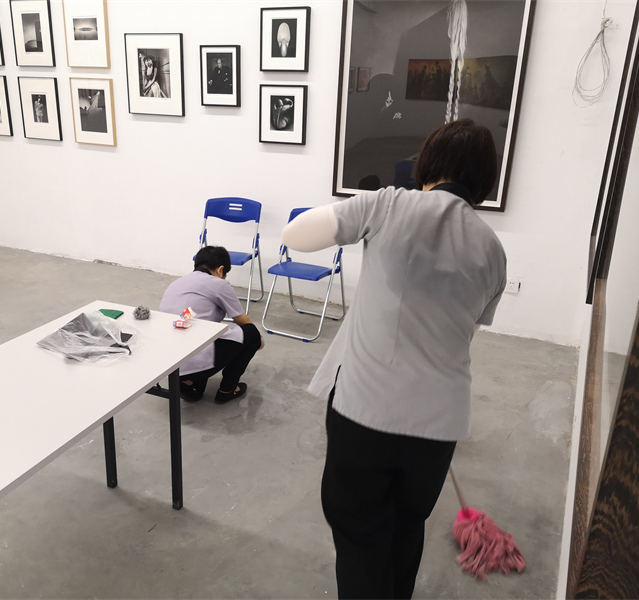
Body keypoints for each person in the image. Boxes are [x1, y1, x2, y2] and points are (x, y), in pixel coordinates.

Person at [282, 118, 507, 599]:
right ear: (485, 180)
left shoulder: (387, 204)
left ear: (428, 162)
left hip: (368, 412)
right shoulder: (493, 250)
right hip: (439, 424)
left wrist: (358, 212)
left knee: (360, 532)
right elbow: (465, 336)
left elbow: (294, 235)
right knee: (407, 527)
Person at [159, 246, 264, 404]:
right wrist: (258, 340)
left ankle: (188, 383)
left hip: (169, 359)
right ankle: (227, 390)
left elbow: (185, 317)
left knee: (197, 330)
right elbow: (242, 320)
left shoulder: (177, 283)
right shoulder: (218, 284)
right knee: (252, 333)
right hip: (193, 353)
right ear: (220, 270)